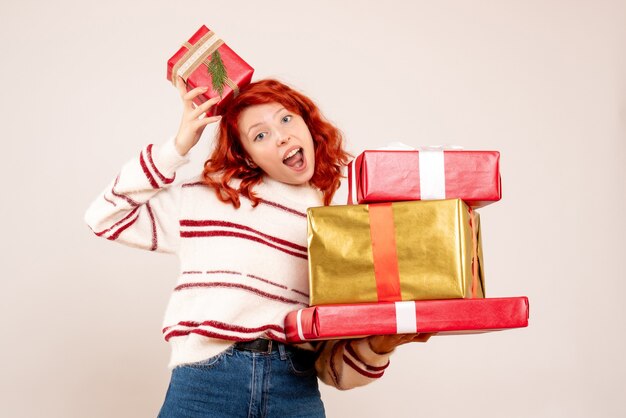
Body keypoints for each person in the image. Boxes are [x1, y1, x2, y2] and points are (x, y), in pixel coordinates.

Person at [84, 76, 431, 418]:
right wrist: (176, 148)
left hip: (294, 384)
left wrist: (381, 345)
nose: (281, 137)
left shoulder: (339, 219)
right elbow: (104, 216)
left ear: (307, 125)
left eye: (286, 118)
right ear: (247, 156)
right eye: (260, 135)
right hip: (207, 383)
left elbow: (334, 371)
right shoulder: (208, 198)